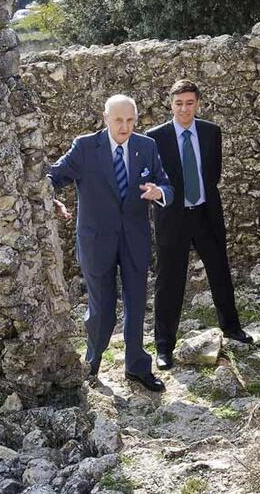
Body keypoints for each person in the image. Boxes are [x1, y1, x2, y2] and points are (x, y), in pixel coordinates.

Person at [48, 95, 174, 392]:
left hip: (135, 240)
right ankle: (91, 363)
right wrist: (49, 197)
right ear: (106, 118)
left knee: (136, 305)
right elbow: (53, 175)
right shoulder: (85, 147)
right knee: (101, 308)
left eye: (130, 120)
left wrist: (159, 192)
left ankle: (136, 367)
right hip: (96, 241)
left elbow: (165, 183)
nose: (125, 126)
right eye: (119, 120)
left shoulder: (147, 146)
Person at [146, 79, 253, 371]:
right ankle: (164, 346)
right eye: (179, 103)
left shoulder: (210, 132)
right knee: (169, 282)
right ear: (171, 104)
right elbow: (153, 177)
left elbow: (212, 174)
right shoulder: (155, 137)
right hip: (172, 218)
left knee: (220, 272)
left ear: (198, 103)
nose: (184, 108)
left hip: (206, 213)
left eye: (190, 103)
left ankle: (231, 328)